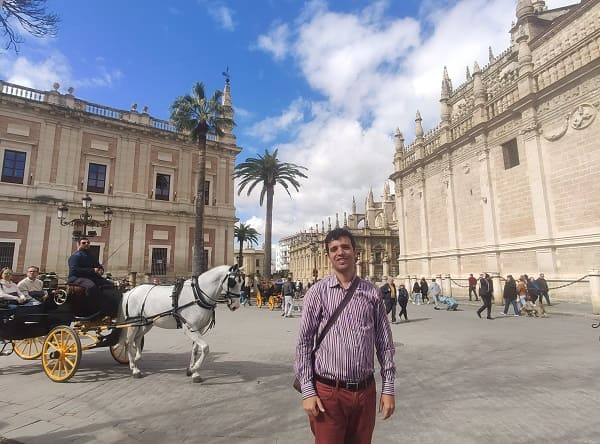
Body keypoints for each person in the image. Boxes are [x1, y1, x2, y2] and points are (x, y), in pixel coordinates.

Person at [295, 228, 396, 443]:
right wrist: (307, 391)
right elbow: (304, 343)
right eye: (334, 249)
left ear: (355, 251)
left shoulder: (371, 292)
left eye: (345, 247)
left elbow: (384, 343)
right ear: (328, 256)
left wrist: (388, 388)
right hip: (328, 393)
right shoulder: (317, 293)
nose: (340, 252)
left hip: (365, 392)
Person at [68, 238, 118, 317]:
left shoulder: (91, 256)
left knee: (110, 284)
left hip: (91, 278)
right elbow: (75, 270)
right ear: (79, 244)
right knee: (91, 286)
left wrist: (101, 270)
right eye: (84, 243)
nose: (86, 244)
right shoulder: (75, 256)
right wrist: (92, 270)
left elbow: (98, 266)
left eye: (88, 242)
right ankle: (92, 309)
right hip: (76, 278)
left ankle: (109, 307)